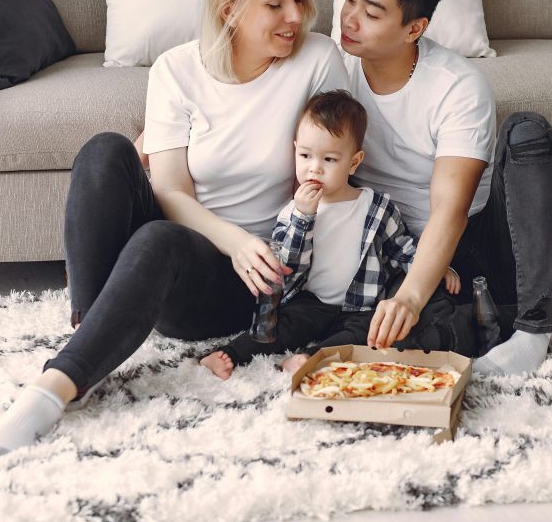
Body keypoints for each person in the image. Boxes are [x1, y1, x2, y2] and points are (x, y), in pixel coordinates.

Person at [0, 0, 351, 458]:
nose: (295, 15)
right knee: (104, 151)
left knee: (157, 240)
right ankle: (91, 331)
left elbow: (340, 164)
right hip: (208, 239)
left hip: (244, 280)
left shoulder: (317, 60)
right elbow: (170, 189)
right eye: (276, 3)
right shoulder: (177, 69)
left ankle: (55, 388)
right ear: (230, 9)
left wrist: (263, 247)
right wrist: (234, 239)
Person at [336, 0, 552, 377]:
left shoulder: (457, 85)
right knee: (401, 340)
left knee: (528, 132)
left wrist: (409, 297)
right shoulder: (333, 70)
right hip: (389, 249)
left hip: (472, 247)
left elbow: (450, 209)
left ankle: (534, 330)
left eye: (371, 12)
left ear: (414, 28)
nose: (349, 19)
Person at [200, 90, 469, 379]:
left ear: (353, 162)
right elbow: (286, 268)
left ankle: (311, 359)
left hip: (361, 306)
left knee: (365, 338)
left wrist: (439, 268)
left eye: (329, 159)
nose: (314, 168)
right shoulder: (293, 212)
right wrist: (304, 217)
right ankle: (229, 354)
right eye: (305, 155)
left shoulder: (376, 207)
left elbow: (403, 250)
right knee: (278, 325)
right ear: (295, 150)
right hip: (311, 302)